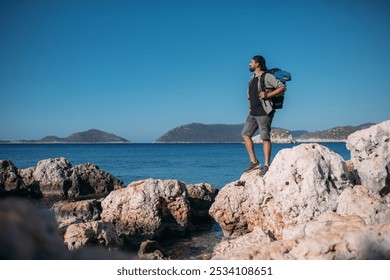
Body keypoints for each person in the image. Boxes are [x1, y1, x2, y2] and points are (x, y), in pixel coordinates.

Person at [241, 55, 286, 175]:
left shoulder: (267, 76)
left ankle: (266, 165)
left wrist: (267, 96)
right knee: (245, 134)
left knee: (265, 137)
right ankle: (254, 162)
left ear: (258, 64)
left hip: (264, 112)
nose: (249, 64)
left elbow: (282, 87)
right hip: (253, 112)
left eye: (251, 62)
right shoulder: (252, 78)